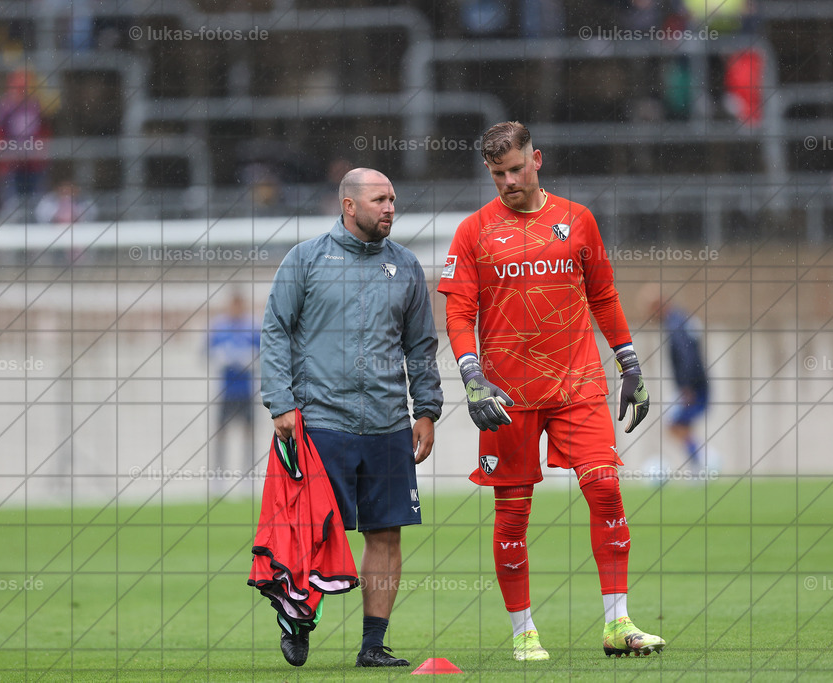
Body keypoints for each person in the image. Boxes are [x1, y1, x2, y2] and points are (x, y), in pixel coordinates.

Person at [437, 122, 665, 660]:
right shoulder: (473, 232)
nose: (508, 181)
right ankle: (524, 632)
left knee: (606, 489)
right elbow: (458, 311)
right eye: (498, 174)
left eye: (516, 169)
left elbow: (603, 295)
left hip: (577, 383)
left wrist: (628, 359)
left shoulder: (576, 219)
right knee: (512, 512)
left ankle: (618, 624)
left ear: (536, 159)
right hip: (505, 394)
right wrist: (471, 375)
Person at [260, 168, 443, 668]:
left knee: (386, 533)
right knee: (315, 533)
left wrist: (425, 410)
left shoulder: (405, 266)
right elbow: (276, 330)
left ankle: (373, 646)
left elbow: (420, 346)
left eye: (393, 199)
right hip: (322, 421)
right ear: (349, 205)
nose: (389, 207)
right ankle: (297, 619)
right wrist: (280, 402)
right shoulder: (306, 259)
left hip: (387, 424)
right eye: (380, 199)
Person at [640, 283, 710, 468]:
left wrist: (687, 386)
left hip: (693, 387)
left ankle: (704, 461)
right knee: (680, 426)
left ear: (658, 306)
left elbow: (687, 355)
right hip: (695, 384)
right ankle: (701, 464)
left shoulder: (675, 324)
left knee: (675, 425)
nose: (650, 316)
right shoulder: (680, 319)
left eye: (651, 311)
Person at [207, 291, 260, 493]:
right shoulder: (219, 327)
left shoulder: (253, 327)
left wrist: (250, 358)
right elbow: (206, 353)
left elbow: (264, 354)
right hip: (226, 391)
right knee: (222, 434)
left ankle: (248, 476)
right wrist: (222, 356)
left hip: (246, 391)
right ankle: (219, 477)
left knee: (248, 433)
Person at [0, 69, 51, 220]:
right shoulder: (2, 108)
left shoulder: (37, 105)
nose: (23, 91)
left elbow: (45, 132)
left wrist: (40, 152)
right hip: (11, 167)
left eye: (26, 86)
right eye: (19, 86)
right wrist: (3, 154)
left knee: (38, 209)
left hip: (34, 165)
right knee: (12, 208)